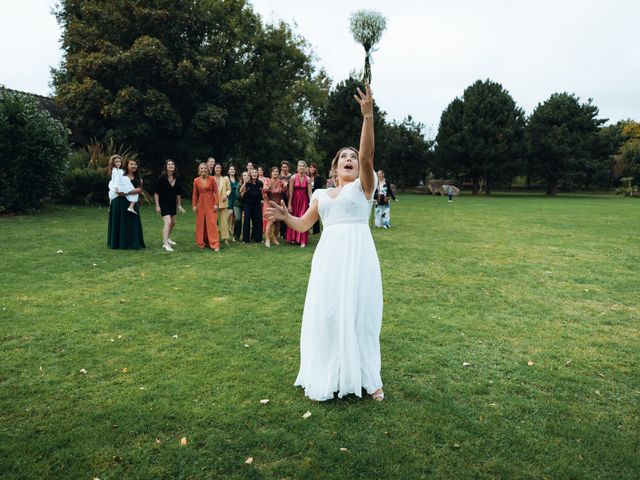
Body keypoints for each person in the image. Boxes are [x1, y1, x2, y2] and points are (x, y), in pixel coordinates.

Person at [266, 83, 384, 402]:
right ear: (334, 168)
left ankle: (369, 377)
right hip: (329, 260)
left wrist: (368, 116)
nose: (350, 159)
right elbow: (304, 223)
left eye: (352, 157)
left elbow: (369, 155)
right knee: (330, 313)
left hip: (358, 257)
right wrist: (284, 216)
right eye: (343, 157)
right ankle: (332, 372)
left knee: (361, 313)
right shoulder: (321, 195)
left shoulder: (364, 187)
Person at [107, 158, 145, 249]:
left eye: (135, 164)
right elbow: (113, 186)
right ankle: (117, 243)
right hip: (118, 202)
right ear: (127, 166)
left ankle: (132, 243)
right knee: (118, 221)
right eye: (131, 164)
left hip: (131, 202)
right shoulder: (120, 175)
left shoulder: (138, 178)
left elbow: (139, 189)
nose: (133, 166)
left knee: (132, 222)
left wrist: (126, 192)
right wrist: (110, 204)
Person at [153, 159, 185, 251]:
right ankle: (165, 244)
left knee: (173, 222)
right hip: (163, 203)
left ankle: (167, 238)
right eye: (169, 164)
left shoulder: (177, 178)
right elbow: (156, 193)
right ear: (166, 167)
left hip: (172, 203)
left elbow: (178, 193)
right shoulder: (162, 178)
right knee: (168, 222)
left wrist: (179, 205)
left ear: (174, 167)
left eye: (172, 164)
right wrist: (157, 206)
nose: (171, 166)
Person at [192, 162, 220, 251]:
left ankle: (215, 244)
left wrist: (216, 204)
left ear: (207, 169)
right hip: (200, 204)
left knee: (212, 223)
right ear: (199, 170)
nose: (203, 169)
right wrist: (194, 205)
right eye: (201, 168)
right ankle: (203, 242)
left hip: (211, 203)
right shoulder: (196, 180)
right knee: (201, 223)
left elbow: (216, 192)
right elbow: (195, 194)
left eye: (205, 168)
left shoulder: (212, 179)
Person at [286, 160, 312, 247]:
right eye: (300, 166)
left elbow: (309, 192)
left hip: (304, 201)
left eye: (303, 166)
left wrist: (311, 203)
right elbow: (290, 192)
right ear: (297, 168)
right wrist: (289, 204)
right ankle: (293, 238)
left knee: (303, 218)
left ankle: (303, 241)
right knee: (294, 217)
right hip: (295, 200)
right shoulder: (293, 178)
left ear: (305, 168)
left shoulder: (308, 179)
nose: (301, 167)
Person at [262, 166, 284, 247]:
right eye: (274, 171)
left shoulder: (280, 182)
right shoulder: (267, 180)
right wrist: (268, 188)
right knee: (270, 221)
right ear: (271, 172)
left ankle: (275, 238)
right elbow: (264, 190)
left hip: (277, 204)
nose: (275, 173)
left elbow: (284, 191)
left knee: (277, 223)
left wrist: (285, 187)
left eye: (277, 171)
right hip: (269, 203)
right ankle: (267, 240)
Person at [240, 168, 263, 243]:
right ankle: (245, 239)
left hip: (257, 205)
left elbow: (262, 194)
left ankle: (258, 238)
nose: (254, 174)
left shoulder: (260, 183)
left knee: (258, 221)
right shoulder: (247, 183)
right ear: (250, 174)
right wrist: (244, 183)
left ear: (257, 174)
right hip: (248, 205)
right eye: (252, 172)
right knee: (246, 221)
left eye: (255, 172)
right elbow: (241, 191)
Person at [214, 164, 232, 246]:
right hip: (213, 203)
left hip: (223, 201)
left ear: (221, 169)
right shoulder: (211, 178)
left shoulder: (225, 179)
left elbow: (229, 189)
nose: (218, 169)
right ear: (214, 169)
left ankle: (225, 239)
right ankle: (214, 237)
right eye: (216, 167)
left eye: (219, 168)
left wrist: (226, 195)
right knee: (213, 221)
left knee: (224, 221)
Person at [309, 163, 324, 234]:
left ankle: (316, 230)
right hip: (308, 195)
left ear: (315, 169)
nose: (312, 169)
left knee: (315, 211)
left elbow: (320, 188)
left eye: (313, 168)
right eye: (311, 167)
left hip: (315, 196)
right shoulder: (307, 177)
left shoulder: (318, 177)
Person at [234, 171, 249, 240]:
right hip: (238, 205)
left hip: (246, 205)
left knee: (246, 220)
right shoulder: (239, 184)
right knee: (238, 219)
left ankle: (246, 236)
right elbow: (238, 196)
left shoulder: (250, 184)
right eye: (244, 175)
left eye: (247, 175)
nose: (245, 177)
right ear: (242, 177)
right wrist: (244, 190)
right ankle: (236, 235)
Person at [279, 161, 292, 240]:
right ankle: (282, 231)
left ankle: (288, 231)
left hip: (289, 196)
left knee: (288, 213)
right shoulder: (279, 176)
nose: (285, 169)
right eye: (283, 167)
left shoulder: (291, 176)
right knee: (282, 213)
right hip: (281, 196)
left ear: (288, 168)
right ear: (281, 168)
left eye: (286, 167)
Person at [227, 165, 239, 241]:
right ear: (228, 171)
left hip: (236, 198)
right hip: (229, 198)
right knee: (229, 214)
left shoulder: (237, 179)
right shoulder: (226, 179)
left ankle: (233, 232)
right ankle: (227, 229)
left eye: (234, 169)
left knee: (235, 217)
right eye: (231, 169)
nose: (232, 170)